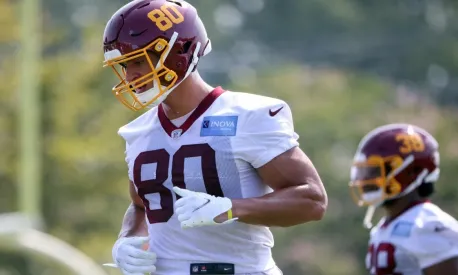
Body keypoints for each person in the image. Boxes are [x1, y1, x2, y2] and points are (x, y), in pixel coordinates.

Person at [101, 1, 328, 274]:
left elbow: (312, 201)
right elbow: (142, 205)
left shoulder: (248, 116)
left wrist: (232, 208)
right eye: (124, 66)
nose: (130, 76)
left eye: (138, 61)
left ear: (178, 51)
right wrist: (126, 240)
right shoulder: (138, 131)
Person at [349, 123, 458, 275]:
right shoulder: (387, 225)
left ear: (412, 172)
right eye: (365, 171)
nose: (366, 180)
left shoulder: (429, 226)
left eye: (376, 171)